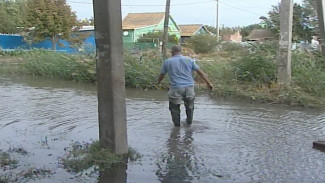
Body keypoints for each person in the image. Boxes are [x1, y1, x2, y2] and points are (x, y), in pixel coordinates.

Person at [157, 45, 213, 127]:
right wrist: (208, 83)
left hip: (176, 88)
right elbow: (200, 72)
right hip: (189, 88)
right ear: (181, 52)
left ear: (172, 52)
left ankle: (177, 128)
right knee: (190, 107)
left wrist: (158, 82)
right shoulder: (189, 60)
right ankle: (189, 124)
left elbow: (162, 75)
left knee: (174, 108)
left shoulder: (168, 62)